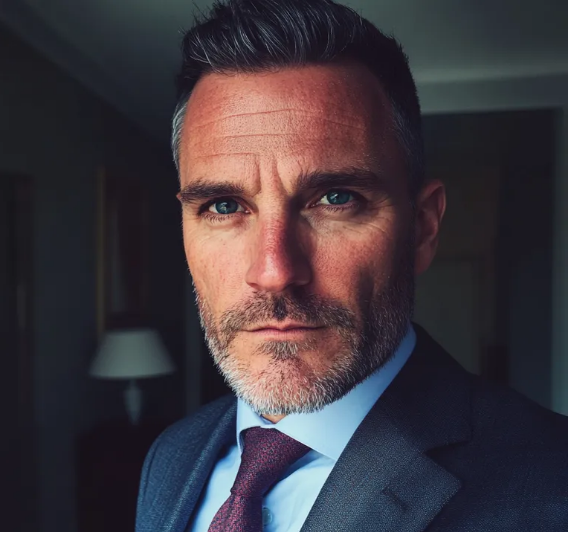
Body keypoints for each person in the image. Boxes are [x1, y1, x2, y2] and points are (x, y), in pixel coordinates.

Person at [135, 0, 567, 531]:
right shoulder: (172, 457)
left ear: (423, 227)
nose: (274, 271)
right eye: (224, 206)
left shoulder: (553, 488)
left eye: (336, 199)